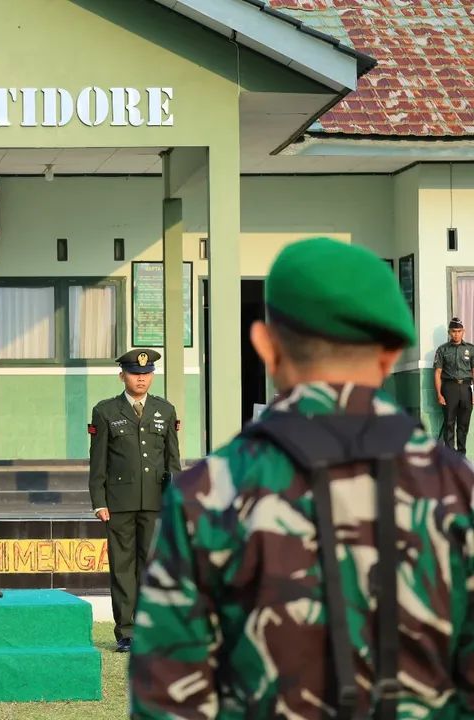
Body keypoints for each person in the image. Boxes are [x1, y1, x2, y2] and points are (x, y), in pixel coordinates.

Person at [130, 237, 474, 719]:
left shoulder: (207, 495)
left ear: (265, 348)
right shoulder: (457, 491)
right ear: (392, 352)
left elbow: (167, 702)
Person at [88, 348, 180, 653]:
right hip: (119, 502)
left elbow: (172, 461)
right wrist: (99, 500)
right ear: (122, 376)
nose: (141, 379)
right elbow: (98, 461)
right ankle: (126, 632)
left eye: (146, 374)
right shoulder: (106, 411)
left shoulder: (165, 411)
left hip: (156, 501)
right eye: (135, 374)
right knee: (122, 567)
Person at [433, 317, 474, 454]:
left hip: (467, 388)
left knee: (463, 425)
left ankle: (461, 456)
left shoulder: (470, 349)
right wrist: (439, 394)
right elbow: (438, 373)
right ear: (449, 332)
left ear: (463, 332)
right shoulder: (442, 350)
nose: (456, 334)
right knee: (449, 423)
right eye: (453, 331)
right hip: (449, 388)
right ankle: (450, 457)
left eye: (459, 331)